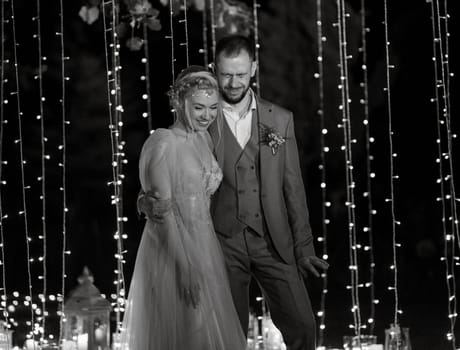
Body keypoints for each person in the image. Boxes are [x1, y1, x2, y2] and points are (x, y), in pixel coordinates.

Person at [140, 35, 329, 350]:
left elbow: (293, 187)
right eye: (226, 73)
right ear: (215, 69)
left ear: (254, 69)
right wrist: (144, 200)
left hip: (273, 241)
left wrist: (304, 246)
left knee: (303, 326)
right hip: (221, 243)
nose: (233, 81)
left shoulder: (280, 120)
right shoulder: (202, 118)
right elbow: (172, 171)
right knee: (228, 335)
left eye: (241, 73)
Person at [120, 66, 246, 350]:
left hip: (204, 245)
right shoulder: (163, 142)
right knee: (184, 328)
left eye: (213, 108)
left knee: (205, 329)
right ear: (179, 102)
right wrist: (184, 266)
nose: (207, 115)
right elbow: (161, 211)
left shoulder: (204, 138)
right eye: (199, 107)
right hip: (172, 247)